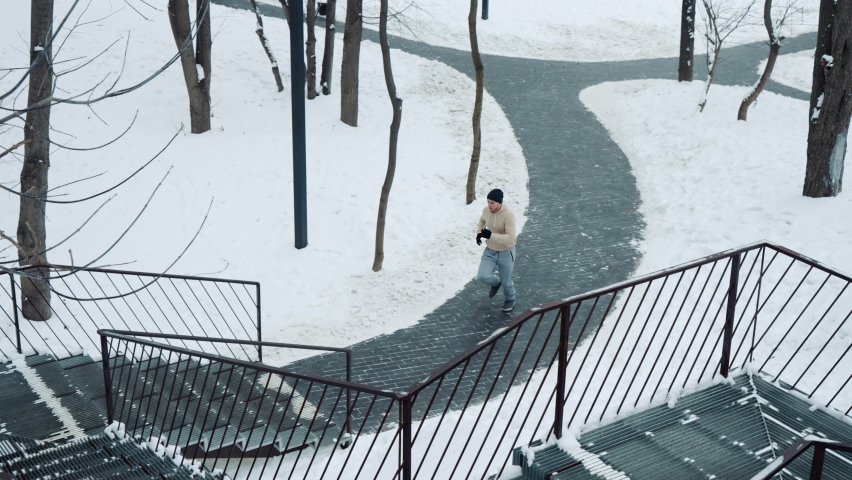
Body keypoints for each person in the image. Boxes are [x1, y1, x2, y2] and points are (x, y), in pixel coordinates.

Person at [475, 188, 517, 312]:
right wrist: (479, 232)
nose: (489, 205)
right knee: (482, 276)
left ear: (499, 203)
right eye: (488, 201)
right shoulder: (486, 210)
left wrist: (490, 236)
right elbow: (482, 220)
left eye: (492, 202)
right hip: (490, 251)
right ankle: (495, 283)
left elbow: (511, 237)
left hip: (506, 252)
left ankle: (510, 299)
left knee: (507, 282)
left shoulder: (508, 215)